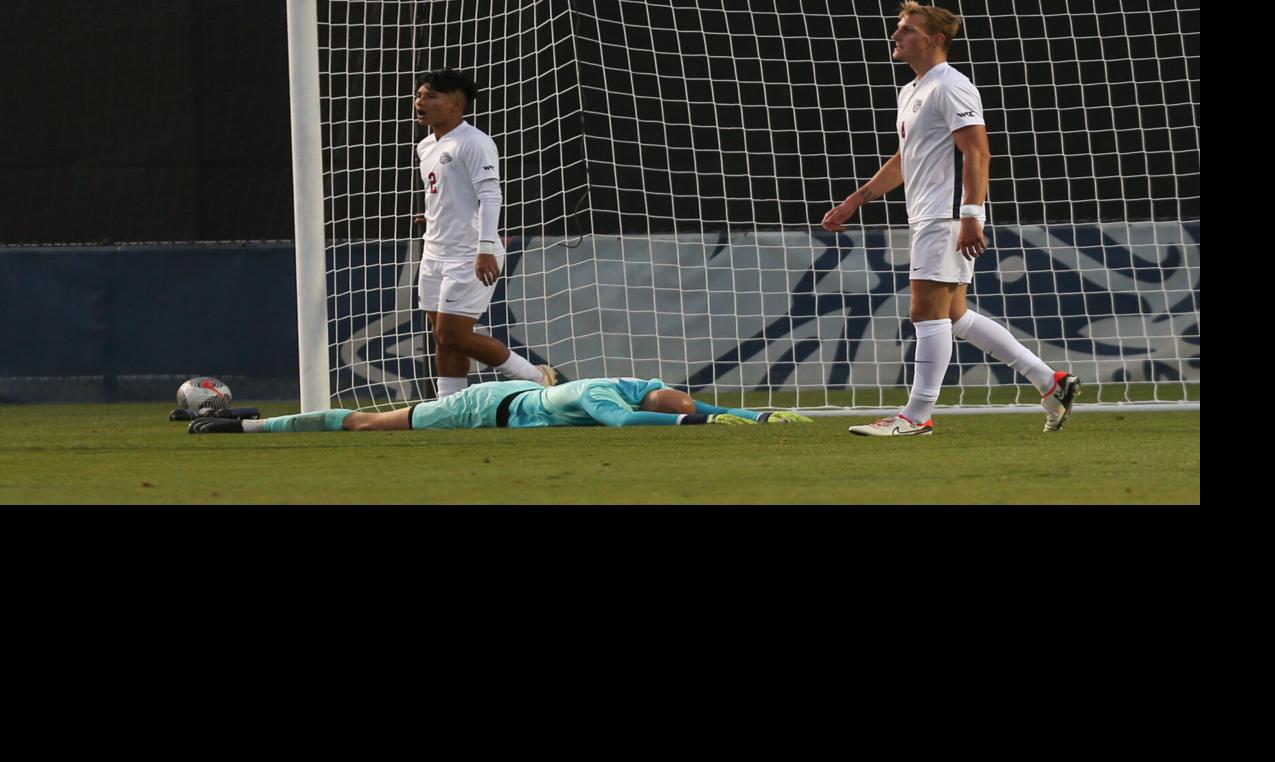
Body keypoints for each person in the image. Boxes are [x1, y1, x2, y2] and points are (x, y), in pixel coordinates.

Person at [820, 3, 1079, 437]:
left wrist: (971, 215)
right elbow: (906, 161)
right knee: (954, 314)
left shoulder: (952, 85)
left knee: (925, 311)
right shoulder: (911, 91)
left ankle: (916, 415)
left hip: (946, 216)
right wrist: (855, 201)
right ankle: (1049, 381)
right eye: (897, 29)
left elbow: (978, 152)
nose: (896, 36)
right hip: (925, 216)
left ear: (935, 38)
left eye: (906, 30)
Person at [412, 68, 560, 398]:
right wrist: (435, 214)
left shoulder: (474, 142)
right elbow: (451, 193)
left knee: (454, 335)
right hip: (435, 248)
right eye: (420, 95)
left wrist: (485, 247)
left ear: (456, 104)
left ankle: (536, 377)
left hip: (469, 252)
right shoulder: (426, 146)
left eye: (431, 96)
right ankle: (449, 405)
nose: (420, 101)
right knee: (442, 334)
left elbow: (491, 195)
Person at [187, 378, 812, 433]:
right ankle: (247, 422)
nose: (681, 402)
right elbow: (627, 418)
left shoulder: (634, 386)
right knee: (370, 423)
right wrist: (719, 419)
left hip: (508, 402)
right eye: (673, 401)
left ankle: (239, 419)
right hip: (483, 410)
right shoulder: (597, 393)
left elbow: (677, 403)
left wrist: (738, 415)